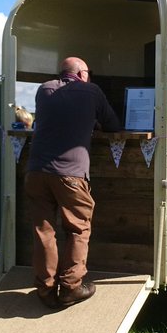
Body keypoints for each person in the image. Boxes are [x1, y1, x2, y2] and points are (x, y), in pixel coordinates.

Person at [25, 56, 121, 309]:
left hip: (36, 172)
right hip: (71, 173)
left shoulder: (44, 89)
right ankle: (70, 288)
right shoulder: (91, 91)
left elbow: (59, 117)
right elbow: (113, 125)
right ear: (81, 73)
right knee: (78, 229)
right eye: (88, 72)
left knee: (43, 232)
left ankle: (45, 290)